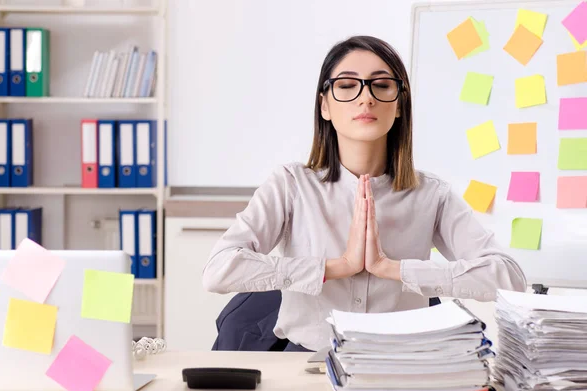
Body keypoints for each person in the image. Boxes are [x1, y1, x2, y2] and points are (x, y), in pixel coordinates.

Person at [202, 35, 527, 352]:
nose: (365, 97)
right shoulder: (290, 184)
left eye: (381, 85)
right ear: (325, 105)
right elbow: (219, 270)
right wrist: (332, 267)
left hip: (401, 367)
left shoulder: (432, 194)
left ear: (399, 104)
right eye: (347, 85)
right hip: (308, 365)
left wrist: (395, 269)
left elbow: (509, 277)